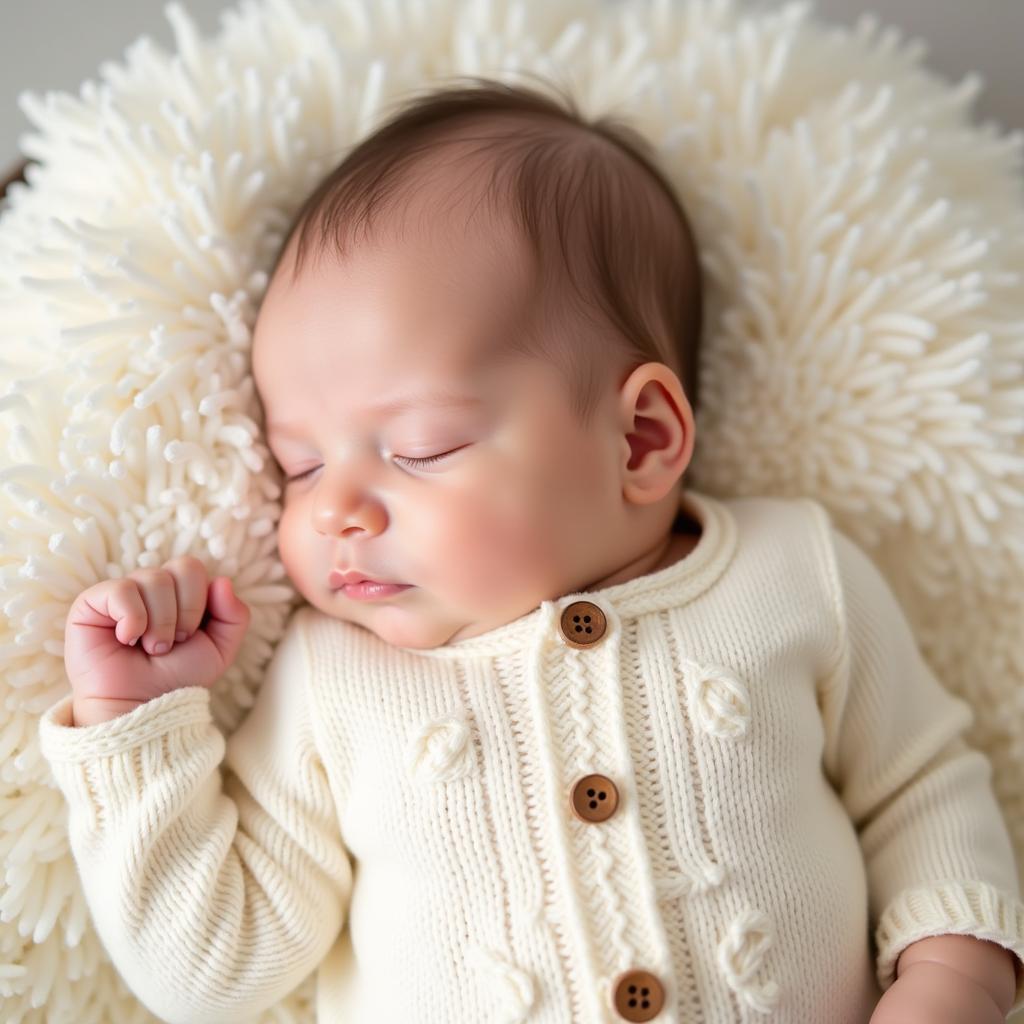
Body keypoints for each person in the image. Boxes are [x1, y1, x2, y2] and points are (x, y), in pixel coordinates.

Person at [40, 76, 1024, 1023]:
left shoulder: (793, 573)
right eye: (297, 464)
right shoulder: (335, 679)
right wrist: (140, 724)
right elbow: (212, 970)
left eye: (419, 446)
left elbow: (920, 789)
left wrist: (955, 974)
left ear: (639, 438)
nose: (333, 507)